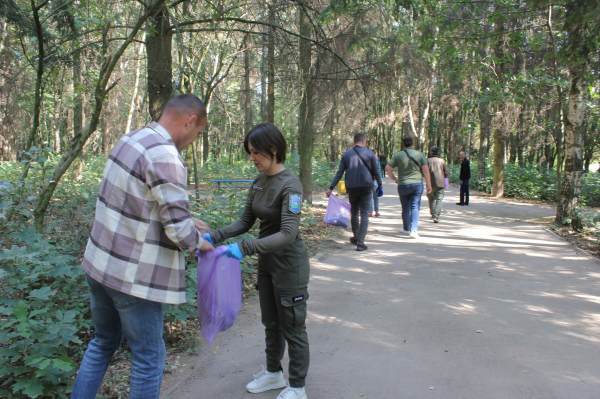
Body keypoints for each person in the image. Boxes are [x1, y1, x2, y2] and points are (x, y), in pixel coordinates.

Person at [72, 94, 214, 399]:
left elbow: (139, 204)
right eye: (198, 132)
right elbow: (177, 230)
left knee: (102, 343)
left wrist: (188, 220)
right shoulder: (165, 155)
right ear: (190, 121)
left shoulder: (132, 139)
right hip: (131, 279)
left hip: (99, 265)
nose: (193, 139)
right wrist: (201, 243)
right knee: (149, 358)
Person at [204, 123, 310, 399]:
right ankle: (273, 373)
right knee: (271, 323)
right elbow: (244, 221)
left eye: (255, 153)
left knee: (293, 326)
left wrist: (245, 248)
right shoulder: (259, 182)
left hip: (289, 265)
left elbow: (288, 234)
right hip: (267, 264)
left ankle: (297, 388)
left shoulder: (291, 185)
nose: (251, 159)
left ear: (273, 150)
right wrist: (213, 236)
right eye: (249, 153)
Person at [326, 133, 382, 251]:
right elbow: (376, 172)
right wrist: (380, 185)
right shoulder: (370, 154)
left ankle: (356, 237)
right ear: (363, 141)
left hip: (352, 189)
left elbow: (339, 172)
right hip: (366, 188)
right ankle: (360, 243)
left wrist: (331, 187)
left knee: (355, 213)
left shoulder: (346, 154)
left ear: (354, 141)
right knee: (364, 214)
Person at [385, 136, 432, 239]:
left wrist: (395, 179)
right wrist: (428, 184)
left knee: (405, 207)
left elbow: (388, 168)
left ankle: (406, 228)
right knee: (415, 206)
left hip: (403, 184)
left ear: (403, 145)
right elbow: (425, 171)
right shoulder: (420, 155)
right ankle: (413, 230)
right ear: (413, 144)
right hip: (417, 184)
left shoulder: (398, 155)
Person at [426, 146, 449, 223]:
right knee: (439, 199)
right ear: (438, 153)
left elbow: (423, 172)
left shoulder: (427, 161)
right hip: (440, 183)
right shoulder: (442, 161)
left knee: (431, 199)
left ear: (431, 152)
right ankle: (436, 216)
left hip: (430, 183)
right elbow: (446, 172)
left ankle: (432, 214)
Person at [369, 150, 381, 217]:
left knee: (370, 197)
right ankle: (377, 211)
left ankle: (370, 212)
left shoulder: (367, 161)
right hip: (375, 181)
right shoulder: (377, 162)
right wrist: (380, 183)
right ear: (376, 154)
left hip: (369, 181)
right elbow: (379, 173)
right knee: (376, 197)